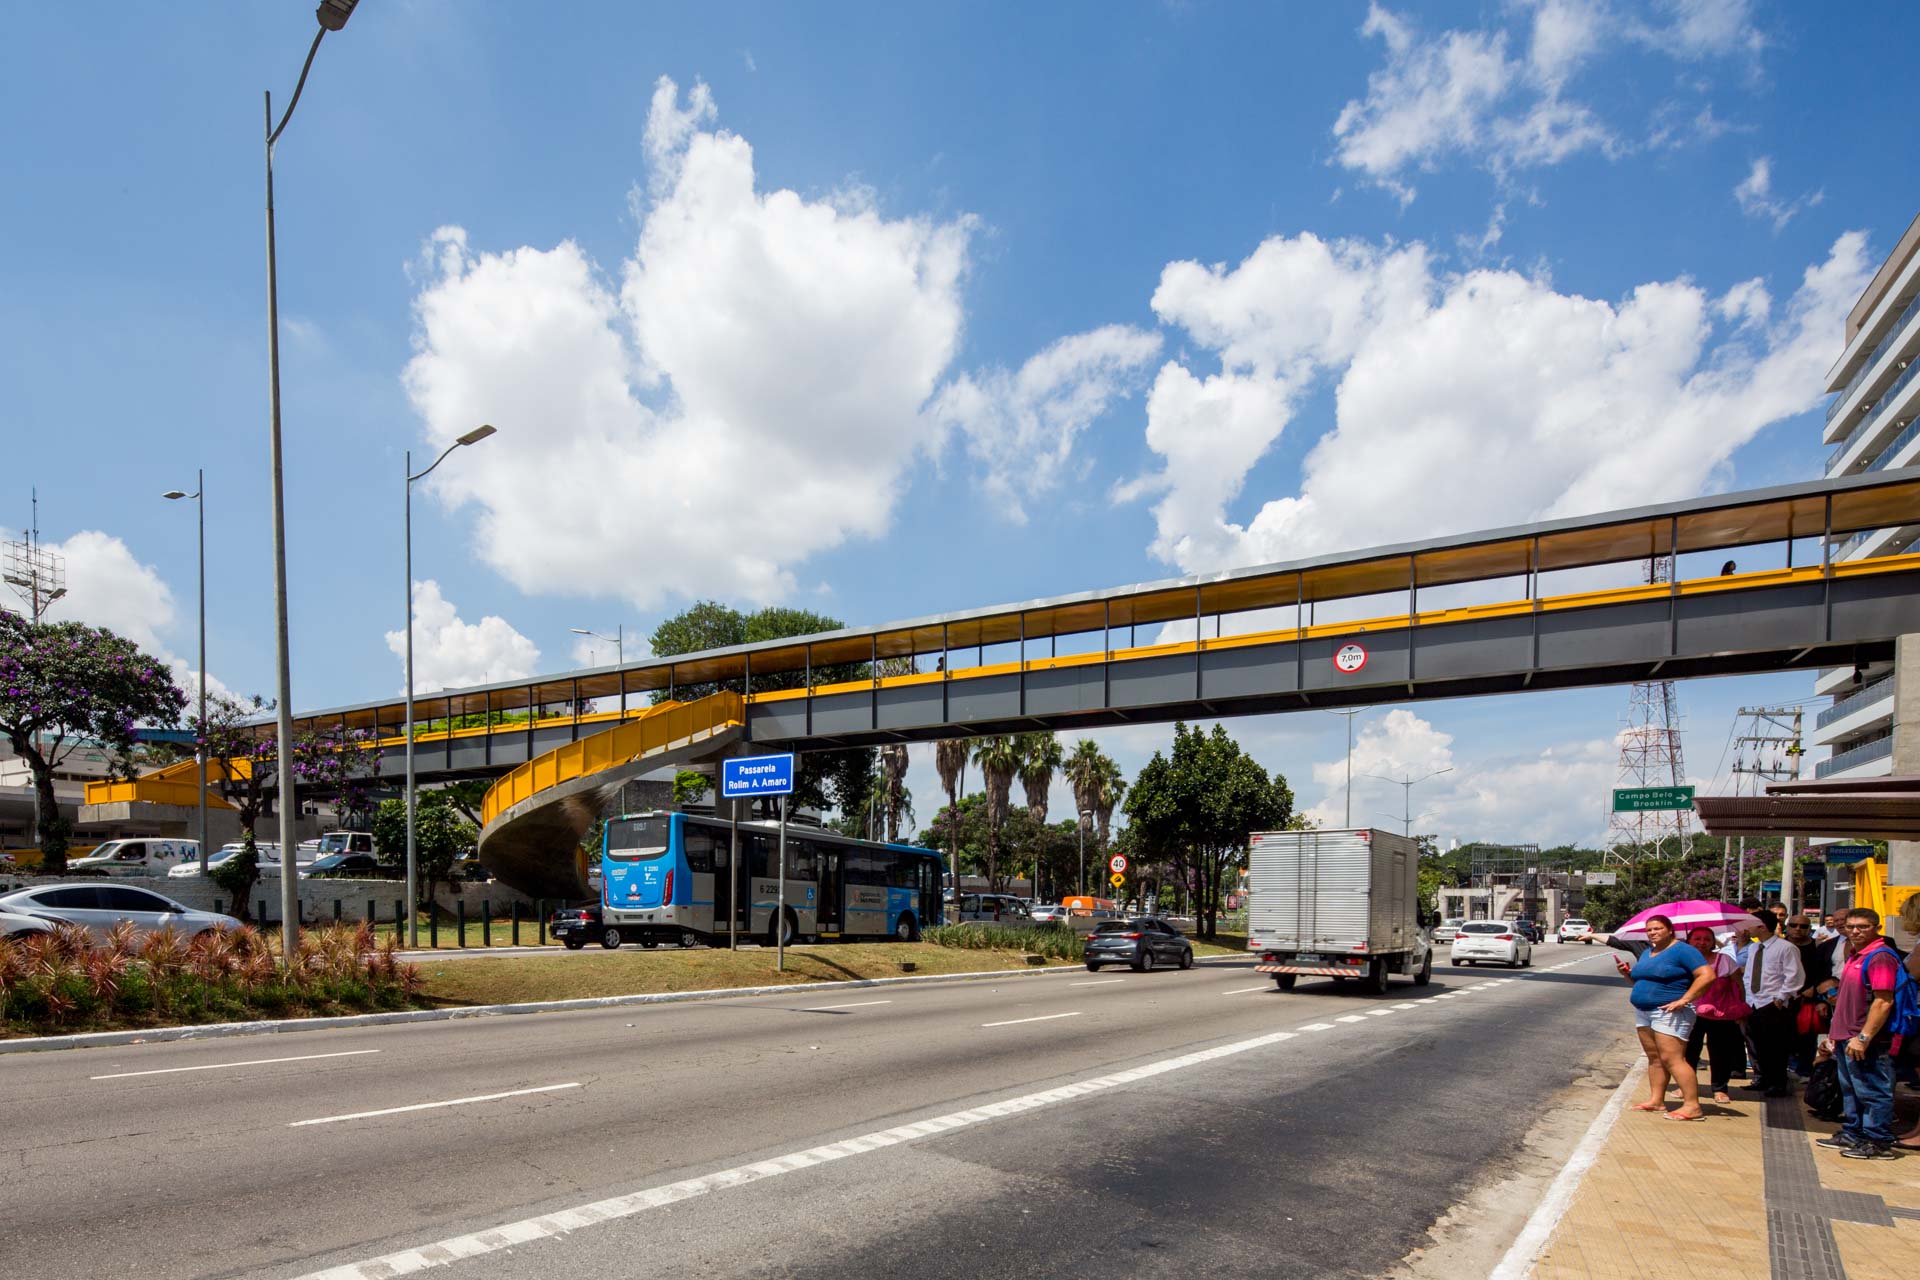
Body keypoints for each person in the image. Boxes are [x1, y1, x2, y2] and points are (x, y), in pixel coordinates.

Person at [1816, 907, 1904, 1160]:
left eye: (1863, 926)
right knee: (1852, 1090)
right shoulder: (1857, 955)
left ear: (1877, 928)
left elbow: (1883, 1001)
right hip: (1846, 1036)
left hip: (1867, 1039)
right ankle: (1853, 1133)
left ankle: (1878, 1141)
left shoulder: (1880, 956)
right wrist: (1835, 1034)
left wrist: (1864, 1037)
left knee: (1873, 1091)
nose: (1855, 931)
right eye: (1851, 926)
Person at [1616, 914, 1717, 1120]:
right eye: (1649, 930)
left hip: (1670, 1012)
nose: (1653, 933)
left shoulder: (1683, 950)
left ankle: (1692, 1106)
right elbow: (1641, 982)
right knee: (1654, 1058)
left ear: (1670, 930)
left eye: (1658, 928)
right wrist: (1626, 973)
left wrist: (1684, 999)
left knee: (1672, 1058)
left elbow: (1707, 975)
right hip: (1645, 1011)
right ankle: (1656, 1100)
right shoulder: (1649, 952)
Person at [1743, 908, 1805, 1096]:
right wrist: (1747, 998)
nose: (1747, 928)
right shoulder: (1754, 948)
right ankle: (1763, 1078)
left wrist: (1781, 997)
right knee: (1757, 1045)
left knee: (1776, 1047)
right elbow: (1749, 974)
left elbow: (1794, 975)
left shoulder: (1785, 948)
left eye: (1751, 925)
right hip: (1754, 1002)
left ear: (1762, 926)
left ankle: (1777, 1083)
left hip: (1773, 1004)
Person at [1682, 925, 1747, 1104]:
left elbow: (1738, 986)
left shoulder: (1724, 960)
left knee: (1720, 1052)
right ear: (1689, 941)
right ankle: (1686, 1086)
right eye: (1697, 939)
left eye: (1707, 939)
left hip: (1720, 1014)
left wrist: (1740, 1008)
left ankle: (1720, 1089)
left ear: (1713, 942)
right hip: (1689, 1013)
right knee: (1689, 1051)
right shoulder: (1682, 960)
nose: (1702, 942)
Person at [1787, 913, 1840, 1076]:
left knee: (1808, 1036)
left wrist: (1814, 990)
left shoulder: (1819, 948)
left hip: (1809, 999)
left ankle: (1805, 1071)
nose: (1798, 929)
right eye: (1794, 925)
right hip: (1784, 998)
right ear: (1787, 927)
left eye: (1803, 926)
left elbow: (1824, 973)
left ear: (1810, 929)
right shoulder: (1780, 945)